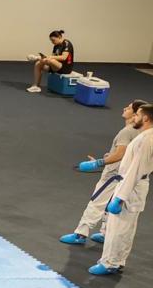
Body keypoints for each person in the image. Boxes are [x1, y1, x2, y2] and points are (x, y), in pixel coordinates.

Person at [62, 100, 146, 246]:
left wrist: (98, 163)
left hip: (113, 175)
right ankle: (105, 233)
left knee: (97, 202)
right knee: (112, 205)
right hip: (128, 176)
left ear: (135, 115)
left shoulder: (127, 131)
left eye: (129, 108)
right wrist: (109, 157)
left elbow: (120, 153)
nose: (125, 108)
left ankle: (80, 234)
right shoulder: (143, 133)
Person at [91, 103, 153, 275]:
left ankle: (109, 262)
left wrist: (120, 197)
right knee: (127, 228)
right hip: (136, 186)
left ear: (145, 118)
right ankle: (118, 261)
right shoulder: (147, 136)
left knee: (117, 228)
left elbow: (135, 170)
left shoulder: (145, 139)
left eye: (137, 115)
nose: (134, 117)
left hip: (130, 187)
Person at [27, 29, 75, 93]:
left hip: (65, 68)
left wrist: (48, 58)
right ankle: (36, 86)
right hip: (56, 66)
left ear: (59, 37)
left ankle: (37, 57)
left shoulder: (67, 43)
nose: (52, 42)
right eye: (51, 41)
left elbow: (64, 57)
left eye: (53, 40)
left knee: (50, 61)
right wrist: (44, 58)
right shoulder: (56, 46)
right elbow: (54, 57)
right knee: (38, 64)